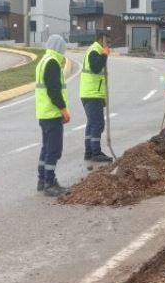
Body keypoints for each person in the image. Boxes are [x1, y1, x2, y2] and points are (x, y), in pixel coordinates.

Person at [35, 35, 71, 197]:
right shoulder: (53, 63)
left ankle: (42, 180)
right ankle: (50, 182)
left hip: (44, 113)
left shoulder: (43, 61)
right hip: (52, 113)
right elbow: (54, 91)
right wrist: (63, 109)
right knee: (54, 149)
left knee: (46, 148)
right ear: (60, 48)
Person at [79, 31, 113, 162]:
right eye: (107, 42)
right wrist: (104, 54)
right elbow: (95, 68)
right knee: (98, 124)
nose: (109, 46)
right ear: (101, 40)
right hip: (91, 94)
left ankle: (89, 152)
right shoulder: (94, 51)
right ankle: (95, 152)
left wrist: (103, 97)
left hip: (93, 94)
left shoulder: (96, 51)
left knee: (92, 123)